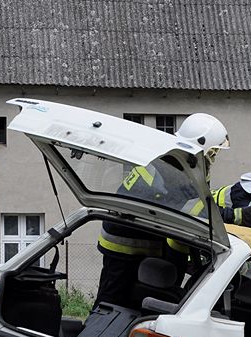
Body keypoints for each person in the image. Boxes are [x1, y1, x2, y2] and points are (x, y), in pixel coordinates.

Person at [92, 113, 229, 309]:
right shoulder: (177, 169)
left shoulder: (172, 159)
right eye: (213, 152)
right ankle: (97, 327)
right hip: (125, 243)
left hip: (138, 238)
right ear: (202, 148)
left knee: (127, 298)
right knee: (111, 301)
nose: (214, 158)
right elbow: (192, 208)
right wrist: (228, 216)